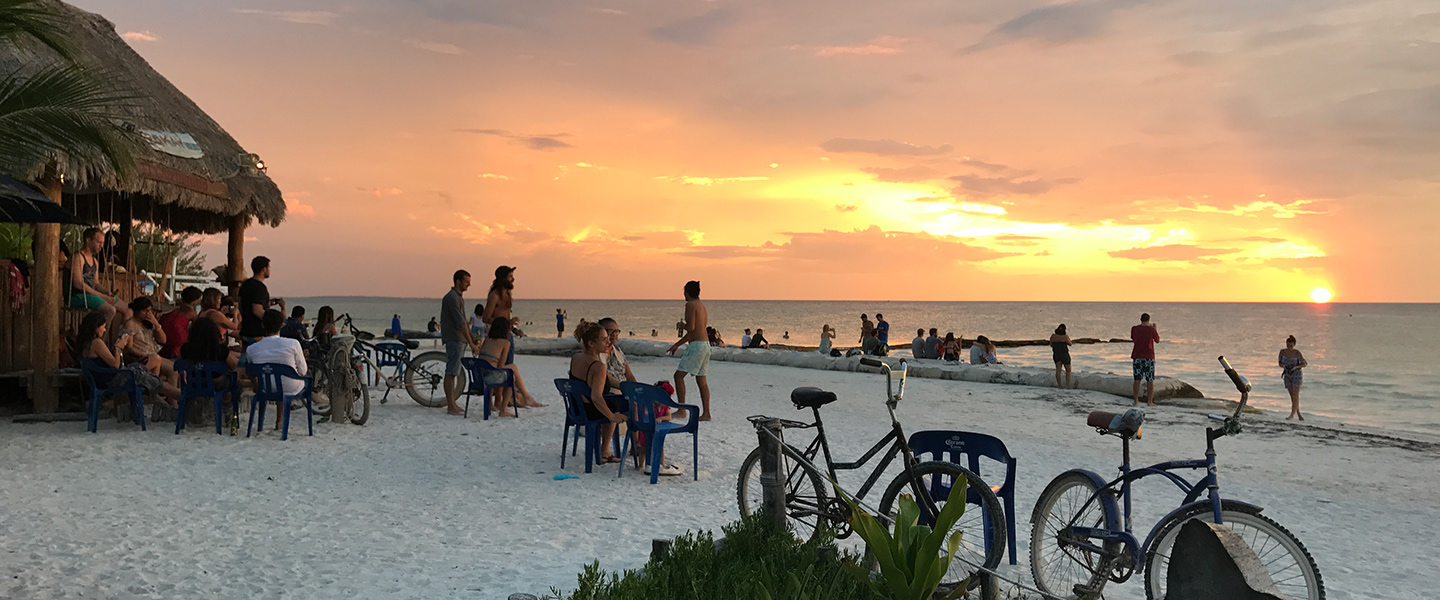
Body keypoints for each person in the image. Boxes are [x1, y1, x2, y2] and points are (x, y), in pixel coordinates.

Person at [77, 311, 179, 413]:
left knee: (153, 382)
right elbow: (116, 365)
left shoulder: (85, 345)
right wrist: (118, 347)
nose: (104, 330)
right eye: (103, 327)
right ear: (96, 327)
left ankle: (172, 403)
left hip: (108, 379)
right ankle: (181, 398)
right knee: (159, 385)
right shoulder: (97, 343)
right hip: (114, 379)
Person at [571, 321, 628, 463]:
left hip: (577, 408)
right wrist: (612, 416)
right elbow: (596, 397)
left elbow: (604, 378)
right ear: (591, 343)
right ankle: (609, 451)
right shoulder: (598, 366)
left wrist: (623, 386)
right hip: (591, 410)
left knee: (619, 398)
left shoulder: (577, 358)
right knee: (630, 405)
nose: (608, 342)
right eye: (604, 339)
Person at [667, 280, 712, 421]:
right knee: (701, 380)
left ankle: (681, 410)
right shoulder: (701, 306)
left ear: (686, 292)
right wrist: (677, 344)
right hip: (705, 345)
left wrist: (681, 325)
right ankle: (706, 413)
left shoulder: (690, 305)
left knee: (678, 376)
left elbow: (690, 328)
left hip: (697, 346)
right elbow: (695, 331)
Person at [476, 317, 540, 416]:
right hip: (490, 376)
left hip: (479, 377)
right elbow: (501, 366)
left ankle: (491, 404)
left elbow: (481, 358)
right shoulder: (505, 343)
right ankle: (504, 409)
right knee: (512, 376)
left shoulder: (487, 340)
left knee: (511, 368)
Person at [66, 227, 130, 323]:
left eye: (102, 243)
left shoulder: (95, 261)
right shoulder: (78, 258)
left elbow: (96, 284)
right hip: (77, 296)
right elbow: (78, 283)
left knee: (127, 309)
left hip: (92, 295)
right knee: (110, 310)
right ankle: (98, 332)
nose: (101, 246)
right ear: (88, 240)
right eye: (98, 242)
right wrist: (102, 296)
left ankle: (125, 331)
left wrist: (107, 292)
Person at [442, 270, 482, 416]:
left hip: (459, 338)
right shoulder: (452, 298)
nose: (468, 285)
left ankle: (452, 403)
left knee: (454, 371)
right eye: (466, 282)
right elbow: (460, 323)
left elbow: (464, 322)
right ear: (458, 281)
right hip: (454, 338)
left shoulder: (458, 298)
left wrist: (472, 337)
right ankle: (450, 405)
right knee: (451, 372)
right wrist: (471, 343)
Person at [244, 309, 309, 399]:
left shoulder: (251, 349)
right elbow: (302, 371)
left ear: (263, 325)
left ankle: (280, 408)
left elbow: (250, 371)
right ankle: (286, 406)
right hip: (291, 388)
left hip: (266, 388)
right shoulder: (293, 344)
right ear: (282, 325)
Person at [118, 297, 178, 390]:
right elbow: (129, 348)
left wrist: (156, 324)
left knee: (175, 370)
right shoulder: (130, 324)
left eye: (149, 310)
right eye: (145, 311)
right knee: (160, 366)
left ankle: (172, 397)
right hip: (138, 357)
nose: (148, 313)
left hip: (152, 354)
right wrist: (144, 354)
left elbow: (163, 340)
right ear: (137, 311)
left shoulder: (148, 323)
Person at [239, 256, 285, 347]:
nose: (269, 270)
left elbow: (243, 304)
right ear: (264, 269)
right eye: (269, 267)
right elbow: (257, 310)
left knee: (247, 353)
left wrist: (268, 303)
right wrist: (271, 322)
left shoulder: (245, 285)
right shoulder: (260, 288)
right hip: (257, 332)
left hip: (246, 330)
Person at [482, 266, 518, 368]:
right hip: (497, 337)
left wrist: (514, 329)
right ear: (503, 278)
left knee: (508, 367)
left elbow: (506, 317)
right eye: (510, 276)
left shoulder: (507, 294)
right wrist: (505, 323)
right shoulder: (495, 296)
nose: (513, 279)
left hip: (507, 335)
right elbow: (485, 318)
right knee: (502, 368)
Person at [158, 286, 203, 359]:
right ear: (195, 300)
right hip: (179, 337)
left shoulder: (174, 308)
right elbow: (196, 327)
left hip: (166, 334)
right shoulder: (191, 312)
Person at [598, 317, 637, 393]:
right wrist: (623, 387)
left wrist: (637, 388)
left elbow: (628, 374)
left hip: (625, 391)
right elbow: (605, 377)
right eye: (610, 331)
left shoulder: (618, 351)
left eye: (616, 331)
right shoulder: (597, 352)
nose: (614, 334)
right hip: (610, 392)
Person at [1130, 313, 1161, 406]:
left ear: (1141, 319)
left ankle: (1136, 400)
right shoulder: (1151, 329)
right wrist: (1155, 329)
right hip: (1148, 356)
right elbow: (1157, 340)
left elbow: (1133, 338)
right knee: (1150, 379)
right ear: (1148, 320)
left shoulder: (1134, 328)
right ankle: (1149, 401)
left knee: (1137, 379)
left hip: (1137, 356)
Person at [1279, 335, 1308, 420]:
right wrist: (1284, 366)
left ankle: (1292, 415)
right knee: (1292, 396)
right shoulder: (1282, 352)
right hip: (1287, 375)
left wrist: (1295, 367)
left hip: (1296, 375)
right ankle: (1299, 414)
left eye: (1291, 346)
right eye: (1287, 345)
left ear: (1294, 345)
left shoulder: (1297, 353)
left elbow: (1304, 364)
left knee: (1296, 395)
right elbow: (1280, 363)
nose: (1289, 348)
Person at [1051, 324, 1073, 388]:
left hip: (1056, 354)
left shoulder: (1053, 336)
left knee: (1058, 370)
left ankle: (1059, 385)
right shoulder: (1065, 337)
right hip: (1064, 354)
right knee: (1068, 370)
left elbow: (1051, 344)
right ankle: (1067, 385)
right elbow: (1070, 343)